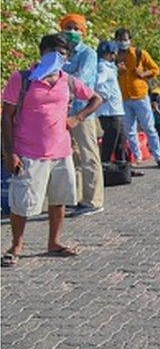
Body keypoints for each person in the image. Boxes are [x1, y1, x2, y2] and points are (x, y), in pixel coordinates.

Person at [2, 34, 103, 266]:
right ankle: (16, 244)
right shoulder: (22, 79)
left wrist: (77, 118)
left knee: (59, 199)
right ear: (42, 53)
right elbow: (6, 116)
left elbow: (97, 98)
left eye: (63, 53)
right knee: (22, 202)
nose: (59, 57)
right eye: (54, 52)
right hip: (29, 151)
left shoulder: (67, 80)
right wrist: (10, 151)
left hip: (61, 151)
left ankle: (54, 242)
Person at [59, 14, 104, 216]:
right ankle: (75, 197)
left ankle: (93, 200)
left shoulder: (88, 53)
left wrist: (58, 80)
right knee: (72, 157)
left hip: (83, 111)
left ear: (83, 31)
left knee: (88, 156)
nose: (72, 31)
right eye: (68, 27)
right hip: (63, 111)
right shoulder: (61, 54)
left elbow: (81, 81)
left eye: (76, 28)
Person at [114, 28, 160, 168]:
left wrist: (143, 74)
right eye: (119, 40)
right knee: (129, 130)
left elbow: (155, 69)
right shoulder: (114, 56)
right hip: (124, 97)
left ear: (130, 40)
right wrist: (117, 72)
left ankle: (158, 157)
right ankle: (137, 157)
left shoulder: (139, 53)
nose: (122, 42)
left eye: (125, 39)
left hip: (140, 96)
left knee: (149, 127)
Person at [94, 41, 126, 163]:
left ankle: (122, 166)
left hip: (116, 110)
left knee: (120, 141)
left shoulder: (109, 67)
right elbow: (97, 82)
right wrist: (104, 94)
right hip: (110, 112)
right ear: (109, 54)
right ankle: (106, 165)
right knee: (110, 142)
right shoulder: (102, 67)